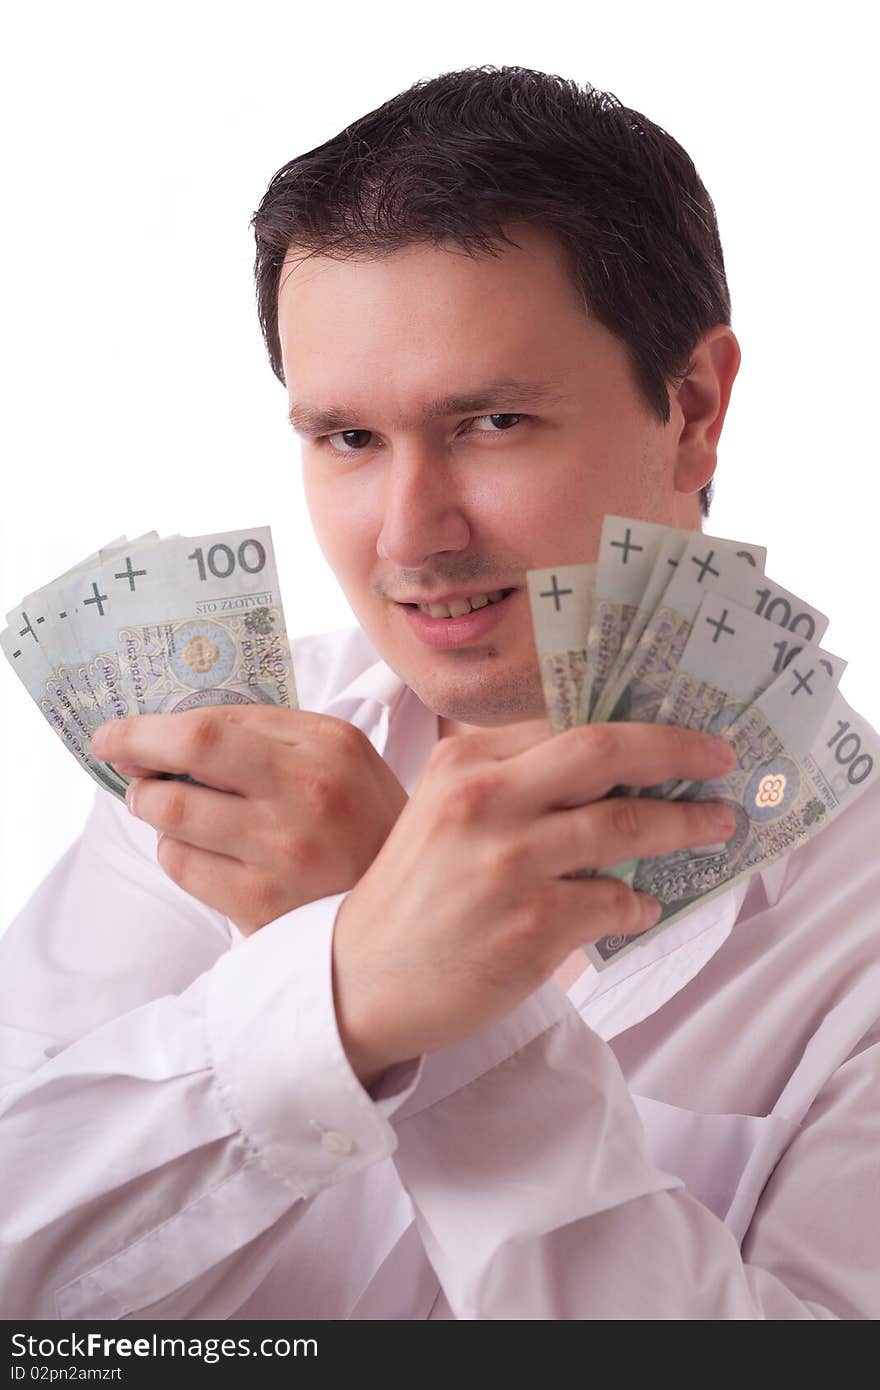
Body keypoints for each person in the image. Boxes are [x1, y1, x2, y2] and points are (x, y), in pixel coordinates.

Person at [1, 64, 878, 1321]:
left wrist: (425, 1007)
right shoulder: (214, 760)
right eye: (349, 438)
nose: (412, 535)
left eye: (493, 422)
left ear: (690, 409)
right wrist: (345, 988)